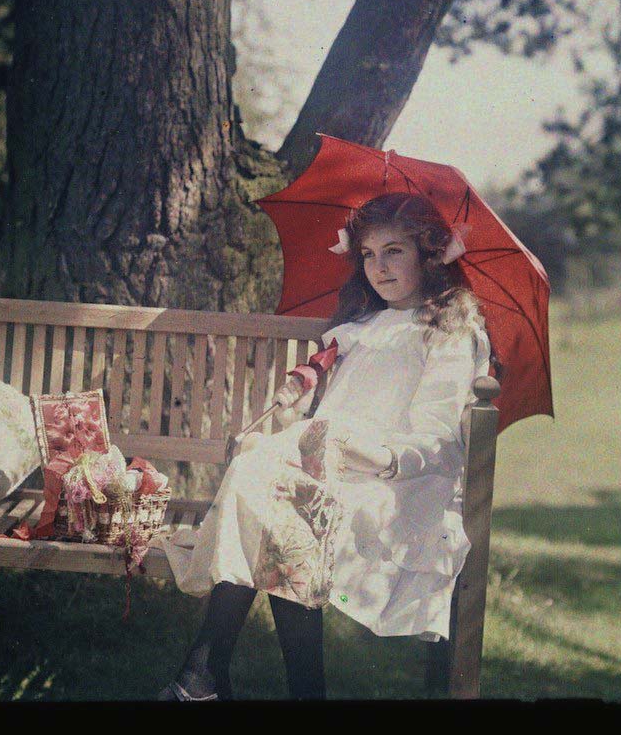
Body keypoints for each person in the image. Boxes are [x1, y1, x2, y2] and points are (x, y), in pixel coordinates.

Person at [156, 191, 495, 701]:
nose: (378, 266)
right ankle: (226, 681)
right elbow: (330, 409)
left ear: (429, 254)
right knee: (265, 485)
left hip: (395, 480)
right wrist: (292, 418)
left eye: (394, 251)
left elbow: (437, 438)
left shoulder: (447, 331)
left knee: (288, 509)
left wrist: (377, 458)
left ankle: (203, 675)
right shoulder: (362, 328)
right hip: (327, 466)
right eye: (367, 254)